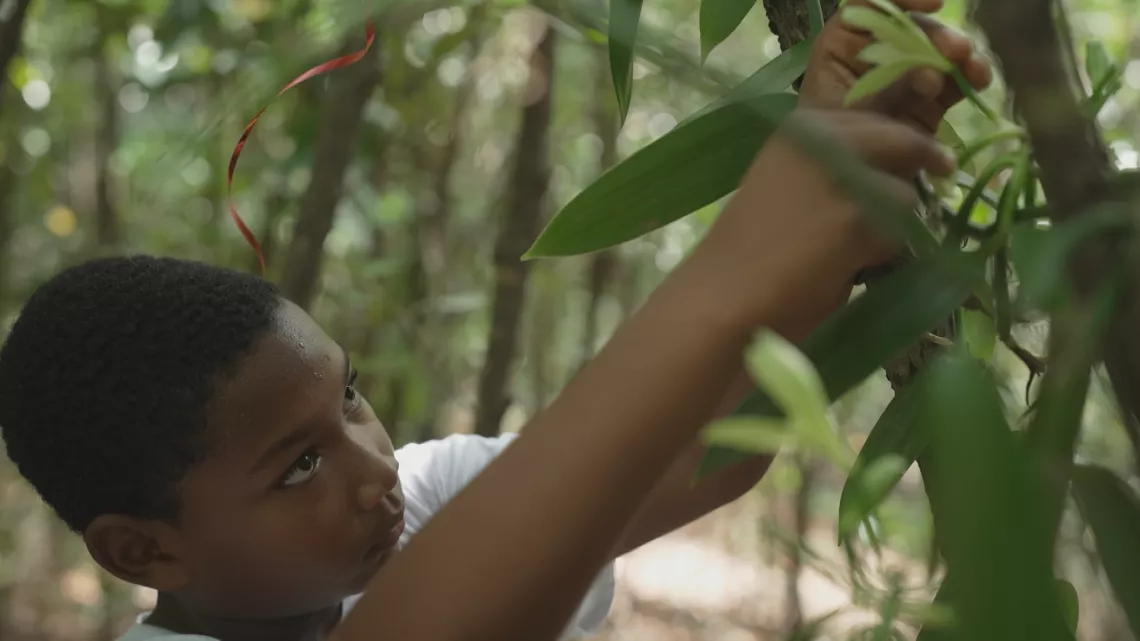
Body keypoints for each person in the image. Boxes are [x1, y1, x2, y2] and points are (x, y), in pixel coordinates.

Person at [0, 2, 989, 640]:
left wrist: (857, 167)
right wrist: (735, 266)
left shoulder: (423, 499)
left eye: (349, 399)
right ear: (143, 552)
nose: (369, 466)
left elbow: (710, 453)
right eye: (297, 463)